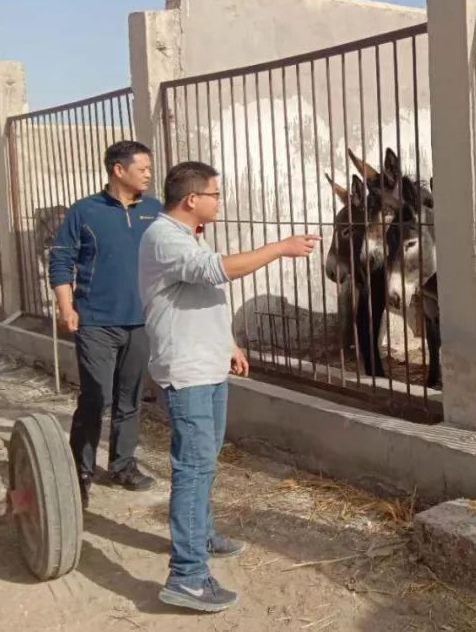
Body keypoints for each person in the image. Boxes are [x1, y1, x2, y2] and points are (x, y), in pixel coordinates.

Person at [138, 160, 317, 612]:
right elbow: (217, 272)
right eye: (215, 194)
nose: (220, 201)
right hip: (188, 371)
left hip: (209, 364)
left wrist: (230, 343)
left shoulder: (187, 236)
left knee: (205, 461)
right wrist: (279, 248)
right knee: (193, 468)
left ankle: (202, 536)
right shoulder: (164, 237)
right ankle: (187, 576)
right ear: (192, 199)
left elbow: (200, 298)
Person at [49, 141, 161, 509]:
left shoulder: (154, 210)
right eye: (142, 168)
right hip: (95, 321)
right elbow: (62, 262)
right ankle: (80, 473)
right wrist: (67, 306)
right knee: (96, 397)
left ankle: (123, 465)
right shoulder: (84, 212)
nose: (148, 174)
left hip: (139, 321)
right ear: (118, 170)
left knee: (130, 398)